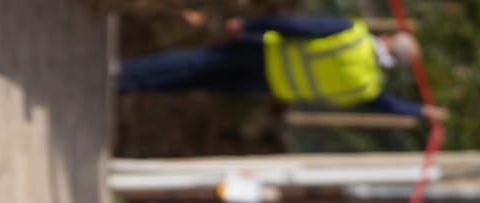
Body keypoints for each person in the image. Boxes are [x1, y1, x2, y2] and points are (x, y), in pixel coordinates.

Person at [117, 11, 443, 124]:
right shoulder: (367, 86)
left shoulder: (352, 35)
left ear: (389, 37)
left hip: (263, 53)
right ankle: (132, 84)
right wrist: (420, 111)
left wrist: (252, 24)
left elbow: (297, 26)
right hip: (270, 86)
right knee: (198, 80)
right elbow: (386, 106)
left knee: (197, 61)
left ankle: (127, 73)